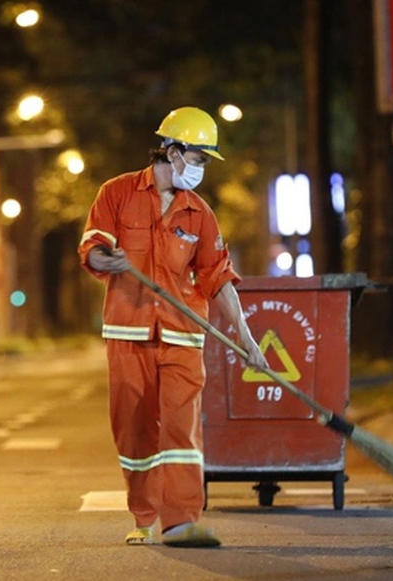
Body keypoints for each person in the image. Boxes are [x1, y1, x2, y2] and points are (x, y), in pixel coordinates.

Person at [77, 106, 267, 548]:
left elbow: (217, 277)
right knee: (134, 428)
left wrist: (245, 334)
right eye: (198, 159)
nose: (201, 170)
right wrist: (108, 258)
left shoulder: (199, 213)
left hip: (183, 334)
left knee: (180, 431)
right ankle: (144, 513)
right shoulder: (117, 193)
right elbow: (93, 245)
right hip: (128, 334)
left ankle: (181, 520)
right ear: (173, 150)